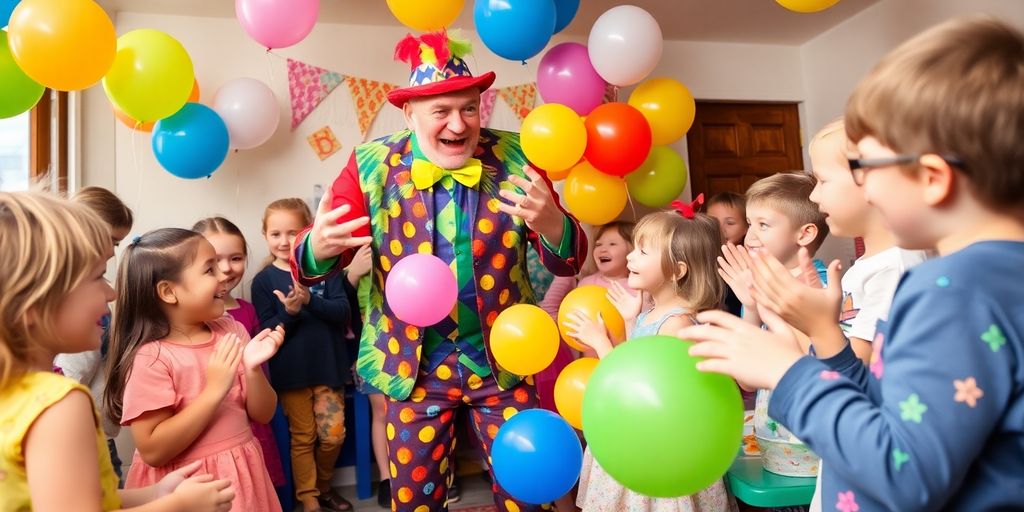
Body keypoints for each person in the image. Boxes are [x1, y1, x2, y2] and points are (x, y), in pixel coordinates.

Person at [683, 16, 1024, 510]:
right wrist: (823, 336)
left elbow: (905, 475)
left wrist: (787, 371)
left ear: (932, 178)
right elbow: (890, 406)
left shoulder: (951, 290)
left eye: (863, 165)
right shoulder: (994, 278)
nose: (858, 186)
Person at [292, 31, 586, 511]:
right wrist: (317, 248)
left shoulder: (518, 156)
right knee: (414, 499)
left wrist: (553, 220)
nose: (458, 123)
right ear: (409, 116)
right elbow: (318, 255)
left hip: (505, 360)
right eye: (441, 112)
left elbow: (567, 261)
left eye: (469, 108)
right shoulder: (371, 165)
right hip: (414, 366)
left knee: (526, 494)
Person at [1, 191, 235, 512]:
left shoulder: (14, 394)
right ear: (36, 304)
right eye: (97, 277)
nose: (111, 292)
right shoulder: (60, 406)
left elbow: (79, 498)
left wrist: (155, 494)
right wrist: (178, 506)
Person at [563, 210, 734, 512]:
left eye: (642, 251)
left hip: (658, 449)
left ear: (677, 270)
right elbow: (640, 358)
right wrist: (632, 321)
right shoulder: (652, 313)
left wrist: (601, 342)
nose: (630, 257)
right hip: (638, 433)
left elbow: (636, 384)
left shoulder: (677, 324)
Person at [105, 228, 285, 512]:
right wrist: (214, 391)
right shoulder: (151, 357)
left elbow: (263, 413)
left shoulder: (232, 329)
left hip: (242, 478)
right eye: (209, 269)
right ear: (168, 291)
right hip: (186, 490)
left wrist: (252, 370)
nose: (223, 275)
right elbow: (153, 450)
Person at [252, 199, 354, 512]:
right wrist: (291, 312)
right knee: (303, 437)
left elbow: (342, 312)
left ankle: (323, 487)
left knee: (333, 436)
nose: (283, 241)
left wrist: (309, 299)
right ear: (265, 235)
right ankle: (308, 497)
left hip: (329, 370)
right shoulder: (263, 281)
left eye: (292, 232)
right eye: (275, 233)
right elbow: (268, 330)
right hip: (290, 375)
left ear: (307, 231)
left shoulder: (328, 268)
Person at [193, 216, 289, 505]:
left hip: (254, 417)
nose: (225, 269)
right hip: (212, 426)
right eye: (213, 262)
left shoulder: (246, 311)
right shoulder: (188, 320)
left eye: (235, 258)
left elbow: (260, 372)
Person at [54, 185, 135, 482]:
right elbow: (71, 372)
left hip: (98, 432)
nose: (114, 252)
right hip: (84, 435)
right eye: (112, 240)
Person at [706, 192, 747, 316]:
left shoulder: (748, 260)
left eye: (729, 223)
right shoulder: (703, 255)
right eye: (714, 221)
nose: (720, 228)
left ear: (747, 226)